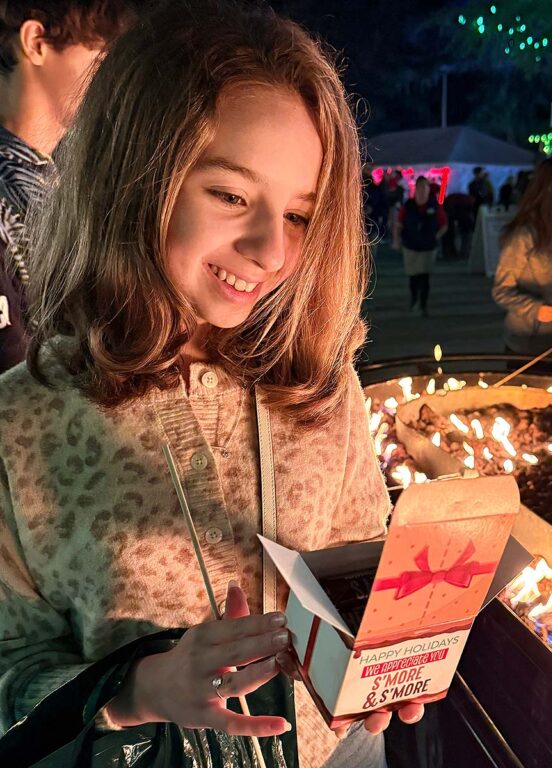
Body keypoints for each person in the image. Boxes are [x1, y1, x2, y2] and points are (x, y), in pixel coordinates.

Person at [0, 3, 424, 767]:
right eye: (230, 195)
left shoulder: (322, 386)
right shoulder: (19, 423)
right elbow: (11, 671)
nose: (271, 250)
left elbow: (362, 561)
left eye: (300, 214)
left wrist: (386, 656)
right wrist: (139, 690)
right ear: (133, 175)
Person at [0, 0, 134, 373]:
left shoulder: (65, 180)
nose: (111, 82)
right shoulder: (12, 192)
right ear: (36, 42)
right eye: (100, 61)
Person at [492, 156, 552, 361]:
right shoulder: (524, 236)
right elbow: (501, 291)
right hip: (528, 347)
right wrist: (535, 309)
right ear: (550, 187)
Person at [393, 175, 447, 317]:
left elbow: (444, 224)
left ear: (429, 189)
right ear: (415, 189)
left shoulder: (435, 206)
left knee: (425, 277)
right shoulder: (408, 206)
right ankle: (414, 299)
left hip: (428, 247)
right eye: (420, 187)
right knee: (413, 277)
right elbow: (399, 225)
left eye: (425, 187)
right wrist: (396, 240)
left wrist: (436, 236)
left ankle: (423, 304)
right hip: (410, 246)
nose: (423, 190)